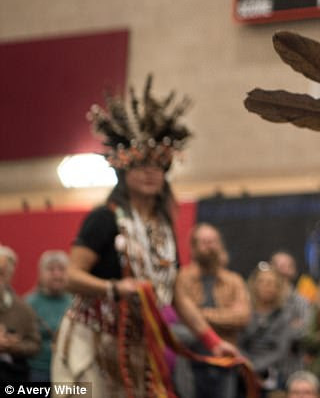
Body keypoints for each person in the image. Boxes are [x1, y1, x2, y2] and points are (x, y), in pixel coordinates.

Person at [53, 77, 239, 396]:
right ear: (124, 170)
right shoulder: (105, 218)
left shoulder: (163, 229)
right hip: (91, 341)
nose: (150, 172)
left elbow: (176, 294)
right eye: (141, 164)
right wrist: (113, 287)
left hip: (136, 345)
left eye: (158, 166)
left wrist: (212, 340)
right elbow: (71, 276)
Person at [177, 222, 252, 397]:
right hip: (191, 360)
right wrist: (225, 316)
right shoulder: (183, 278)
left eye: (212, 241)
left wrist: (198, 314)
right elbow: (181, 318)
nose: (209, 247)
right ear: (194, 247)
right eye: (204, 242)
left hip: (225, 361)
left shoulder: (234, 280)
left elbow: (242, 317)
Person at [240, 262, 298, 396]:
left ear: (278, 288)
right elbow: (239, 343)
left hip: (274, 372)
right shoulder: (244, 312)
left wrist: (255, 368)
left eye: (272, 283)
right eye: (263, 282)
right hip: (243, 370)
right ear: (254, 285)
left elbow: (280, 350)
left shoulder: (285, 315)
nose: (267, 287)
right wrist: (247, 368)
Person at [25, 249, 72, 384]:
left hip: (69, 370)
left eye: (62, 269)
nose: (57, 275)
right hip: (38, 370)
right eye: (51, 270)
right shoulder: (29, 303)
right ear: (40, 274)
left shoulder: (76, 303)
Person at [0, 244, 41, 386]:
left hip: (12, 377)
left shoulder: (23, 308)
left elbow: (34, 345)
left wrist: (13, 346)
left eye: (3, 273)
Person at [271, 250, 312, 384]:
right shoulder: (261, 300)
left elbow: (304, 332)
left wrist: (279, 328)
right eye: (279, 266)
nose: (283, 271)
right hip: (265, 368)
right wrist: (290, 326)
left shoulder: (302, 301)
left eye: (287, 266)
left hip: (293, 368)